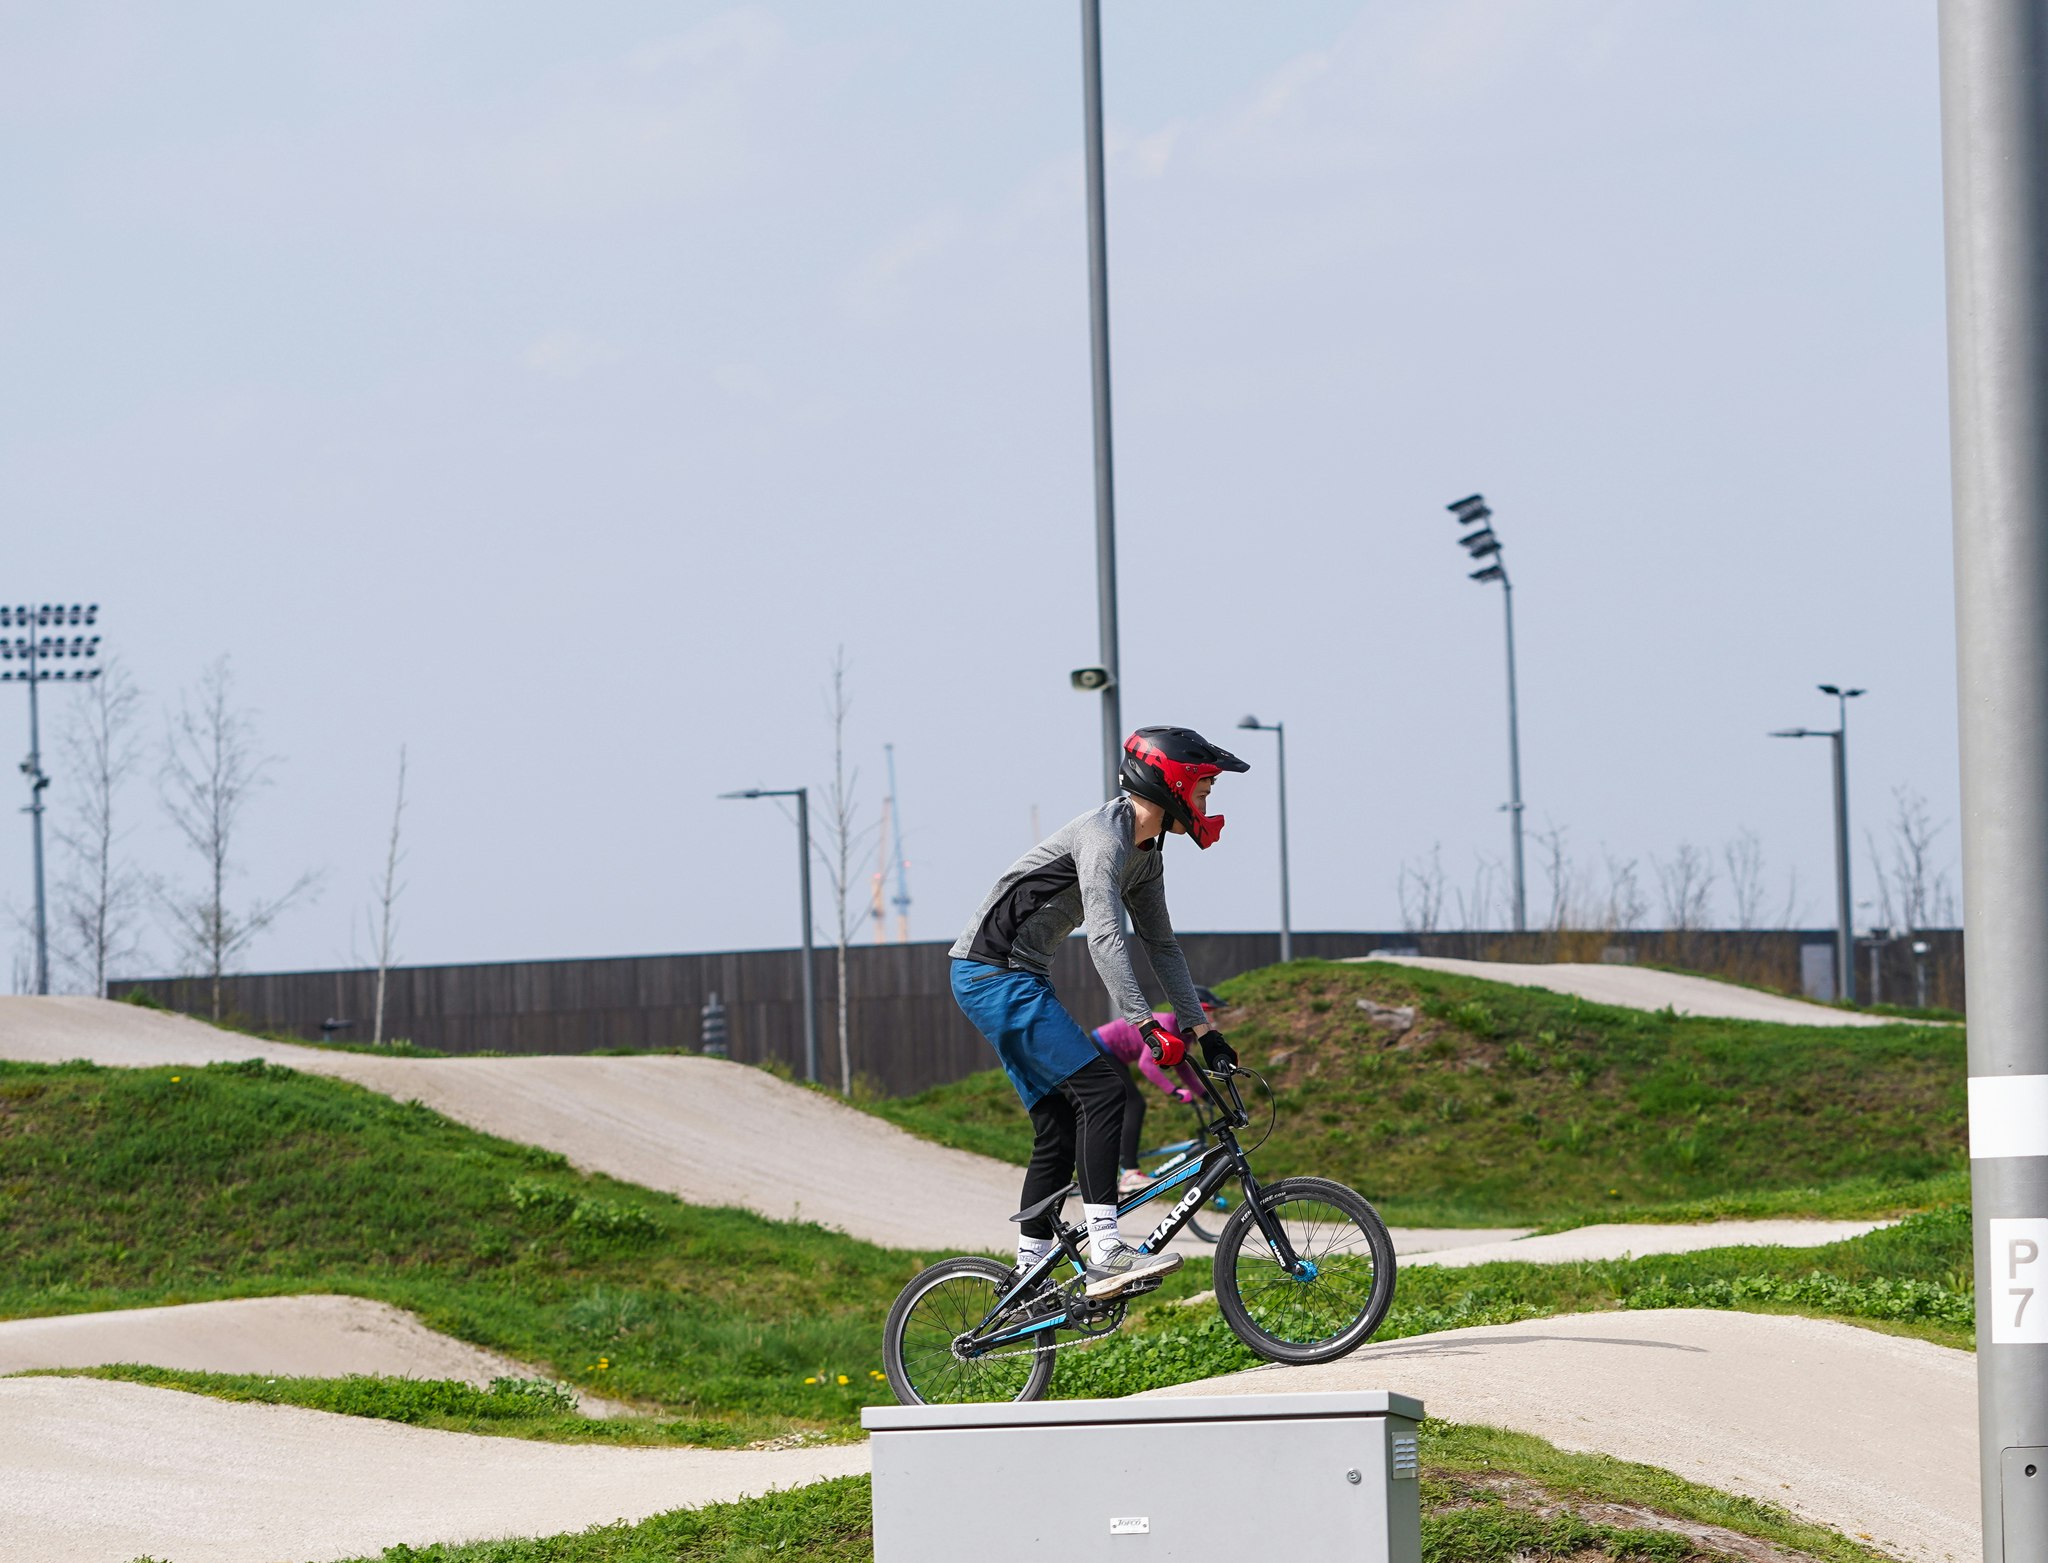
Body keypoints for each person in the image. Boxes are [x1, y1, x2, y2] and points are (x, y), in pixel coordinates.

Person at [949, 726, 1246, 1300]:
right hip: (992, 973)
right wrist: (1143, 1025)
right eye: (1205, 791)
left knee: (1058, 1128)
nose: (1209, 806)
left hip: (1016, 976)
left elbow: (1162, 947)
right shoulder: (1103, 838)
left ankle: (1026, 1277)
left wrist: (1203, 1032)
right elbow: (1106, 937)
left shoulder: (1147, 857)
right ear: (1173, 784)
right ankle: (1106, 1249)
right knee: (1105, 1091)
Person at [1092, 987, 1220, 1196]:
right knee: (1135, 1104)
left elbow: (1182, 1068)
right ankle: (1129, 1172)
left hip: (1116, 1055)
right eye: (1205, 1014)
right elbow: (1146, 1065)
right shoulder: (1167, 1025)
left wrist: (1206, 1095)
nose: (1208, 1020)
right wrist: (1174, 1091)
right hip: (1102, 1048)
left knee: (1129, 1105)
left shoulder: (1183, 1035)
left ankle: (1123, 1163)